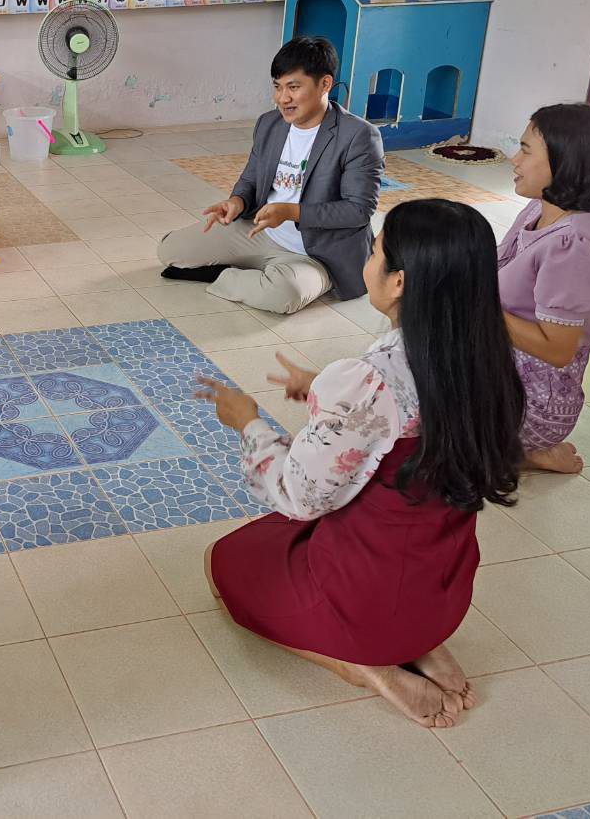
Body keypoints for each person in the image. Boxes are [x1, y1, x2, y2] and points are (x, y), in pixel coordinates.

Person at [197, 199, 524, 729]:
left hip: (362, 599)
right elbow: (408, 413)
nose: (367, 261)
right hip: (441, 591)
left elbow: (300, 497)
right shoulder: (487, 362)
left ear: (399, 282)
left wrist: (247, 422)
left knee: (223, 562)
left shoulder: (368, 382)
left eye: (374, 252)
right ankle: (420, 645)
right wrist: (323, 391)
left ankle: (361, 664)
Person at [157, 36, 384, 314]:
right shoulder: (269, 123)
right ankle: (256, 274)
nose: (282, 98)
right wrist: (237, 202)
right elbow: (251, 179)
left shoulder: (359, 135)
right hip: (260, 231)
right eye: (277, 87)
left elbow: (358, 210)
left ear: (325, 84)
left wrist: (291, 212)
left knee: (283, 295)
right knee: (170, 251)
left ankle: (228, 276)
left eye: (293, 87)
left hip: (316, 254)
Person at [500, 103, 590, 474]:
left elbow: (558, 350)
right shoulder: (541, 209)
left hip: (531, 406)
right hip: (504, 373)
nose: (514, 160)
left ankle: (523, 447)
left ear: (564, 162)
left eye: (525, 151)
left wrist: (472, 303)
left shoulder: (571, 244)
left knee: (410, 399)